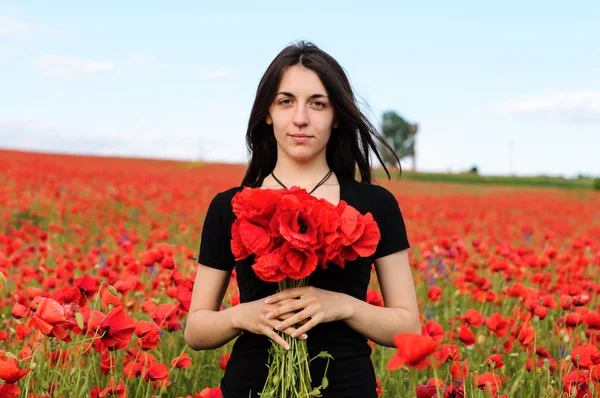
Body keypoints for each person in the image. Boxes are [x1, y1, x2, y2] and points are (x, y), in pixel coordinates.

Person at [184, 40, 421, 398]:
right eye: (286, 101)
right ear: (268, 112)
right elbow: (196, 331)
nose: (300, 118)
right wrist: (241, 315)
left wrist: (341, 305)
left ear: (337, 115)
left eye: (318, 104)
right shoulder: (229, 207)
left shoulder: (376, 205)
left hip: (346, 388)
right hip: (251, 387)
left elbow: (408, 327)